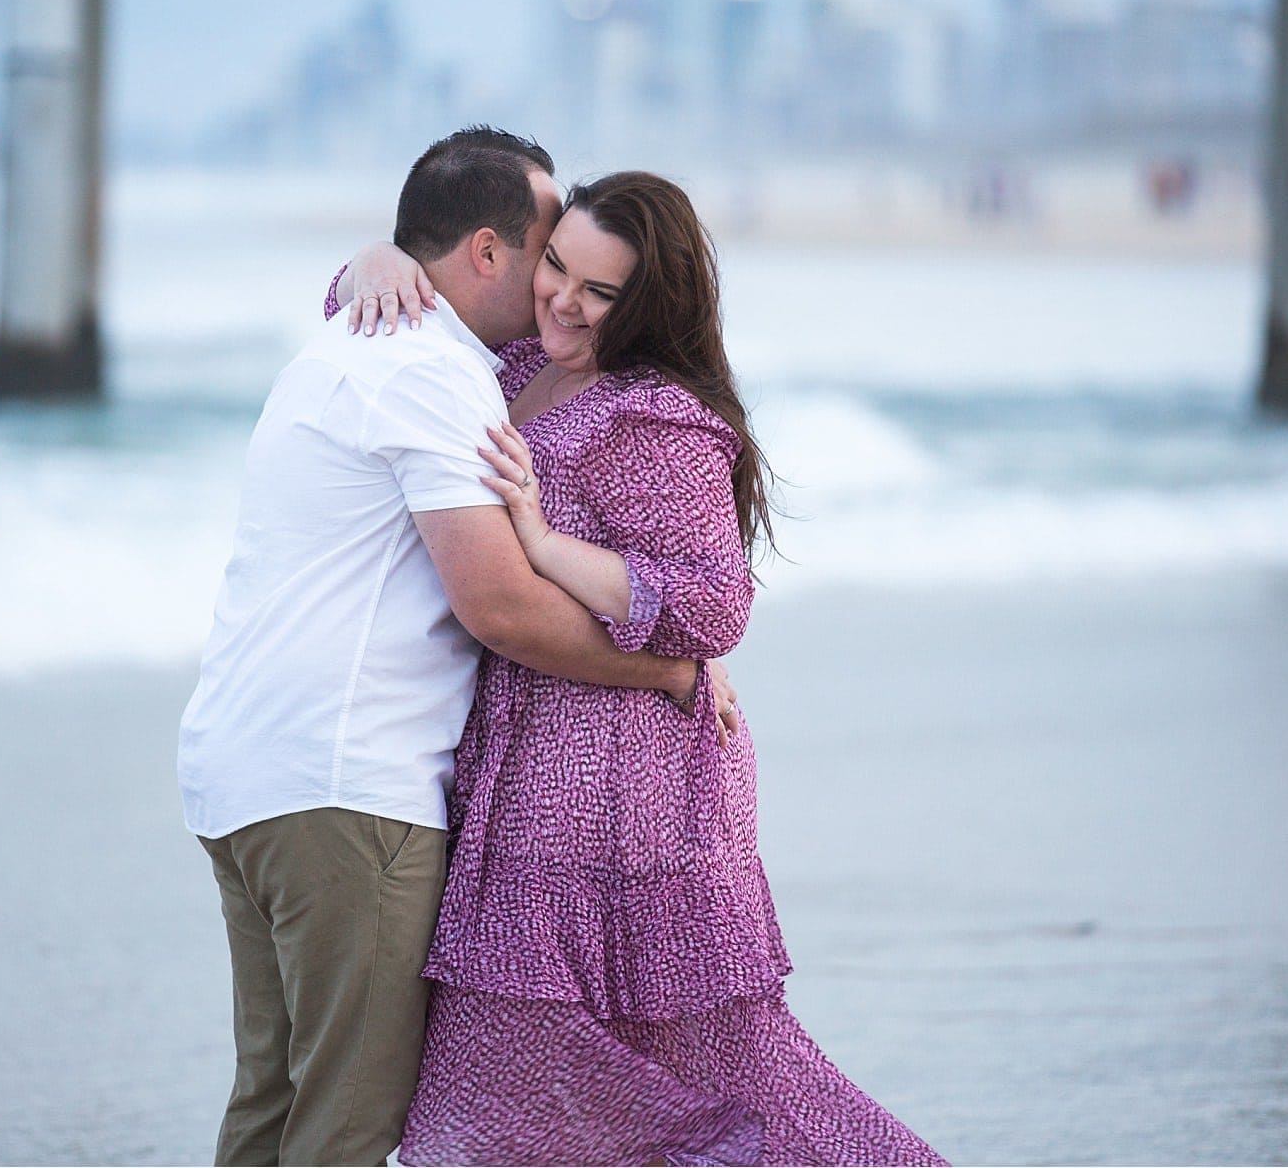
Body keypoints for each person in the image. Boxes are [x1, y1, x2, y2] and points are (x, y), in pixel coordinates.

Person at [340, 172, 949, 1165]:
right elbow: (389, 303)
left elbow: (714, 604)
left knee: (696, 1077)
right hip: (525, 763)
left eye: (599, 292)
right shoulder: (516, 362)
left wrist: (541, 544)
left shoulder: (656, 417)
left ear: (650, 303)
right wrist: (379, 259)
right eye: (556, 268)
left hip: (630, 784)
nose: (563, 300)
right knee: (520, 1084)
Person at [178, 129, 726, 1167]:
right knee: (345, 1120)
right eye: (545, 254)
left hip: (244, 771)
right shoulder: (433, 372)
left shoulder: (361, 331)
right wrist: (669, 668)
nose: (556, 284)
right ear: (486, 250)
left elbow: (371, 276)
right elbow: (501, 608)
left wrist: (374, 256)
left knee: (274, 1098)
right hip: (347, 787)